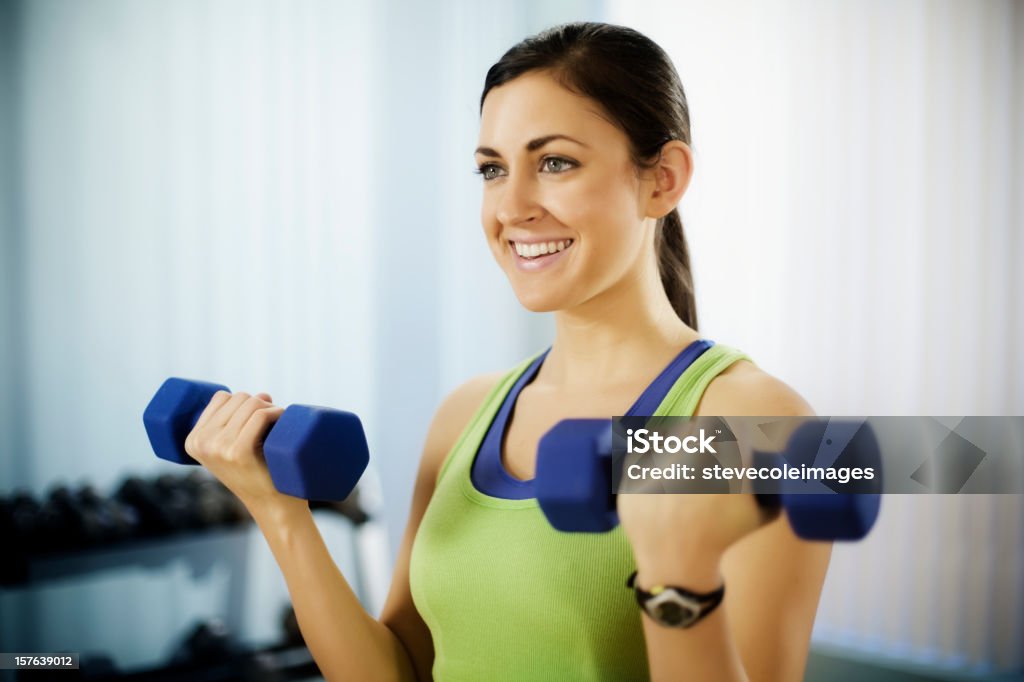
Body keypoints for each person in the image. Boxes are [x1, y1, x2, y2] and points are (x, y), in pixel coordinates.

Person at [183, 21, 831, 682]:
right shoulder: (467, 414)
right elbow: (400, 671)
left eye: (554, 162)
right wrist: (278, 514)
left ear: (662, 179)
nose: (511, 206)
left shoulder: (754, 426)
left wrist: (676, 577)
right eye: (492, 169)